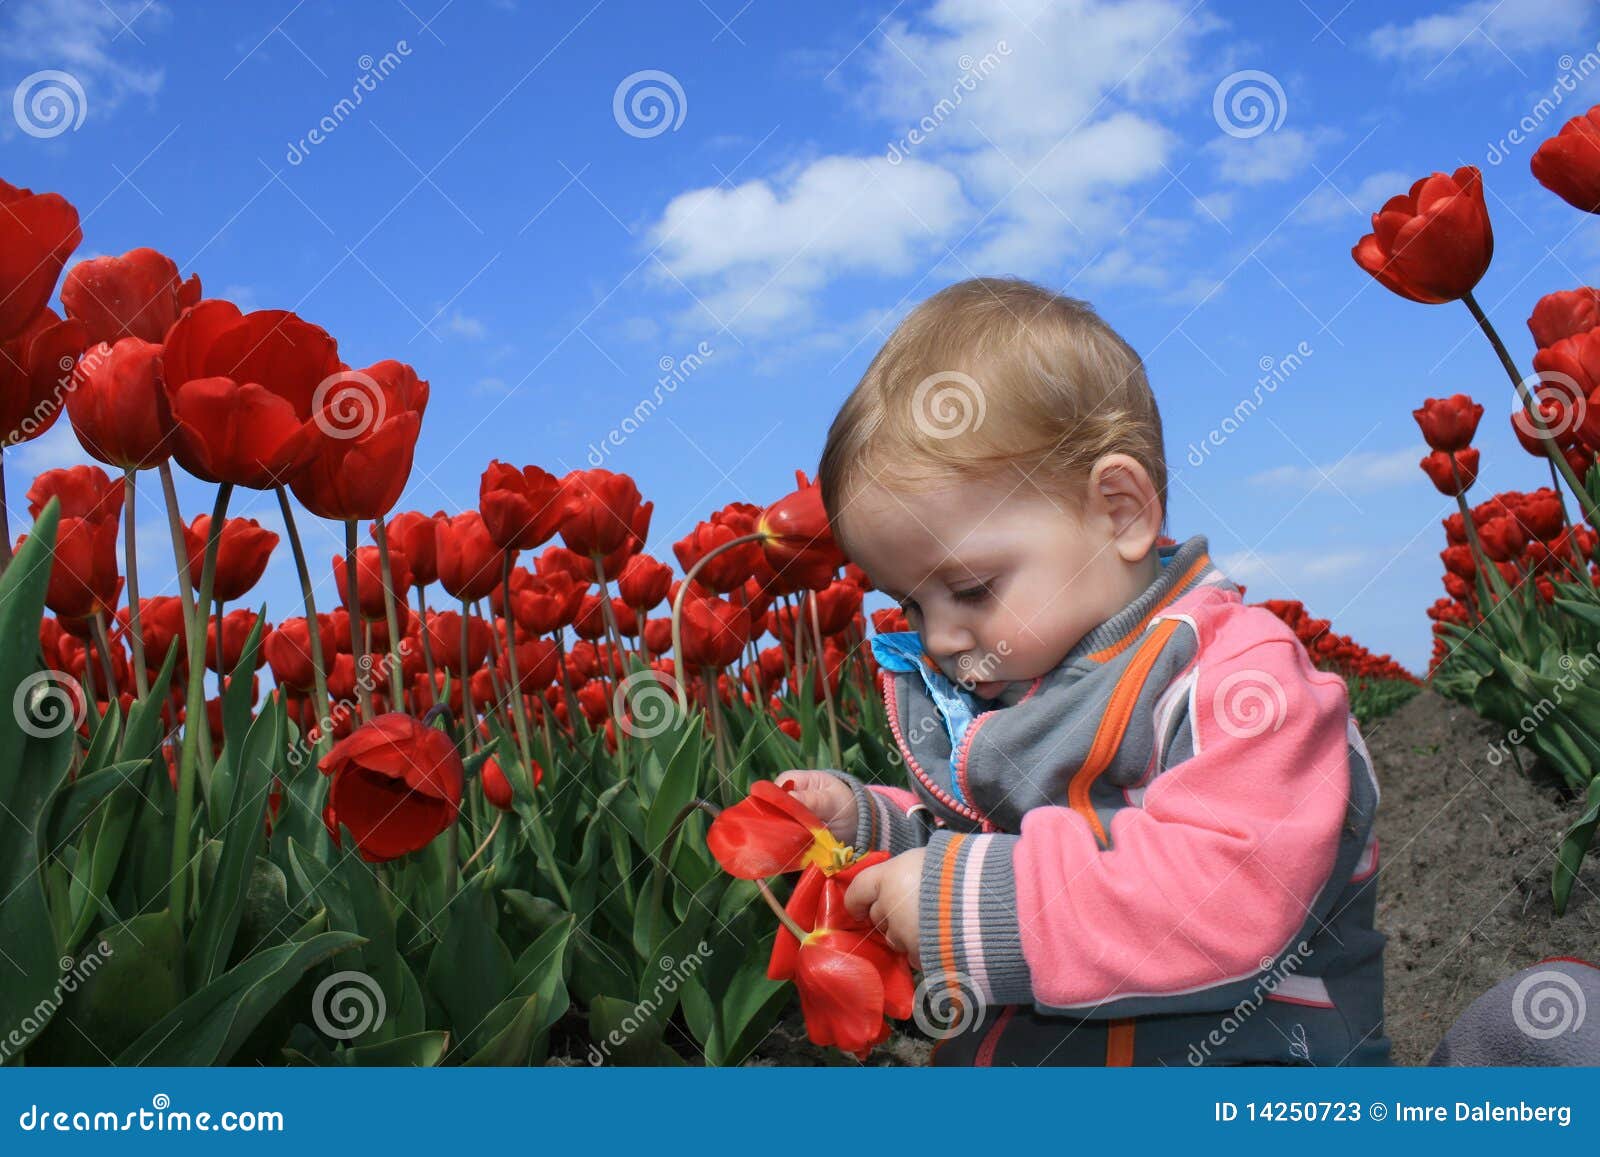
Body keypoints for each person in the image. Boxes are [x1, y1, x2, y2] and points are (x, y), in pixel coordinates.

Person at [777, 276, 1388, 1066]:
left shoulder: (1233, 680)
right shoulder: (1025, 689)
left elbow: (1229, 895)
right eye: (910, 603)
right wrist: (873, 835)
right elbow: (996, 838)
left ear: (1121, 511)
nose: (938, 636)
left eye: (969, 588)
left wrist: (967, 905)